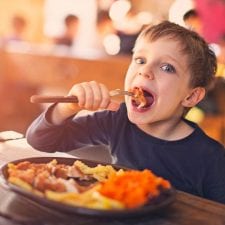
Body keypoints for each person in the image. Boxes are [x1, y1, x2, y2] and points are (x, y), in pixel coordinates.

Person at [26, 21, 225, 204]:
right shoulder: (116, 120)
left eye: (167, 67)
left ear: (191, 97)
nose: (144, 71)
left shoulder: (211, 157)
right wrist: (67, 108)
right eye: (140, 59)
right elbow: (40, 141)